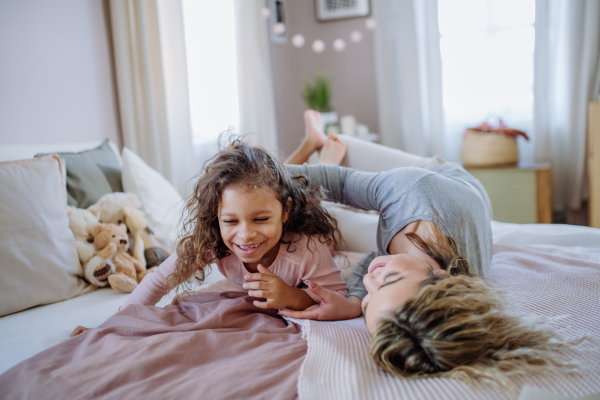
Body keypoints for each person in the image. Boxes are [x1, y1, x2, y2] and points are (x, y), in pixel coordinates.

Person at [281, 111, 569, 384]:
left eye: (371, 298)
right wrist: (260, 180)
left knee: (319, 225)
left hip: (428, 228)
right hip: (440, 181)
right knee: (341, 153)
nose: (369, 277)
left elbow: (374, 261)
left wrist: (356, 301)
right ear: (444, 276)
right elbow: (340, 183)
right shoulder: (410, 190)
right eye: (389, 279)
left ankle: (322, 157)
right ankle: (317, 143)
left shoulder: (428, 287)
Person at [71, 139, 347, 337]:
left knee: (311, 197)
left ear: (284, 212)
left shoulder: (308, 247)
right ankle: (311, 142)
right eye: (230, 221)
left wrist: (292, 296)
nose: (245, 234)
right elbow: (160, 279)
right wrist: (109, 324)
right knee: (286, 186)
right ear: (216, 217)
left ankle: (326, 158)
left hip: (304, 224)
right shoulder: (213, 241)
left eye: (260, 219)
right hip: (280, 208)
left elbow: (338, 299)